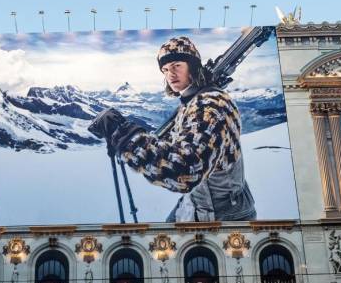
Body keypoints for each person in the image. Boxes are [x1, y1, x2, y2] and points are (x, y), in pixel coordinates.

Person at [90, 35, 256, 222]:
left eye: (177, 65)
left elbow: (184, 169)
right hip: (197, 204)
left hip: (222, 215)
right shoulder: (193, 102)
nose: (170, 74)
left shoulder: (210, 106)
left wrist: (130, 140)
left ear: (193, 67)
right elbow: (172, 146)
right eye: (165, 69)